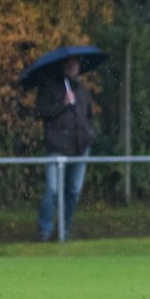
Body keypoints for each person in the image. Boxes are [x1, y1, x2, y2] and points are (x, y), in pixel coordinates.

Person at [36, 56, 95, 241]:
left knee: (74, 191)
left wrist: (90, 134)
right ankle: (45, 230)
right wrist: (62, 103)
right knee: (52, 190)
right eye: (69, 64)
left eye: (75, 64)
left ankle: (64, 229)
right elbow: (41, 113)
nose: (72, 67)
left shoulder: (82, 91)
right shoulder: (48, 88)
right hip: (57, 147)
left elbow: (89, 115)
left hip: (80, 147)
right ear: (62, 66)